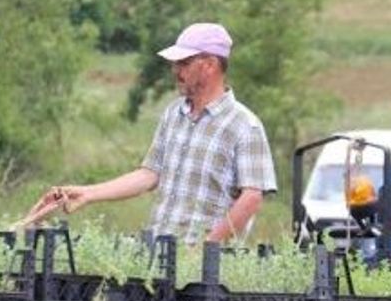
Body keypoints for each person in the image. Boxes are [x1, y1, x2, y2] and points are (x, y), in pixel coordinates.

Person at [26, 22, 277, 244]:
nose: (176, 71)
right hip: (160, 254)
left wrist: (206, 248)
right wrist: (88, 193)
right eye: (174, 63)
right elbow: (149, 174)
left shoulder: (245, 126)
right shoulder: (173, 114)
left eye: (184, 63)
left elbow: (252, 198)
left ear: (210, 65)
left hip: (208, 274)